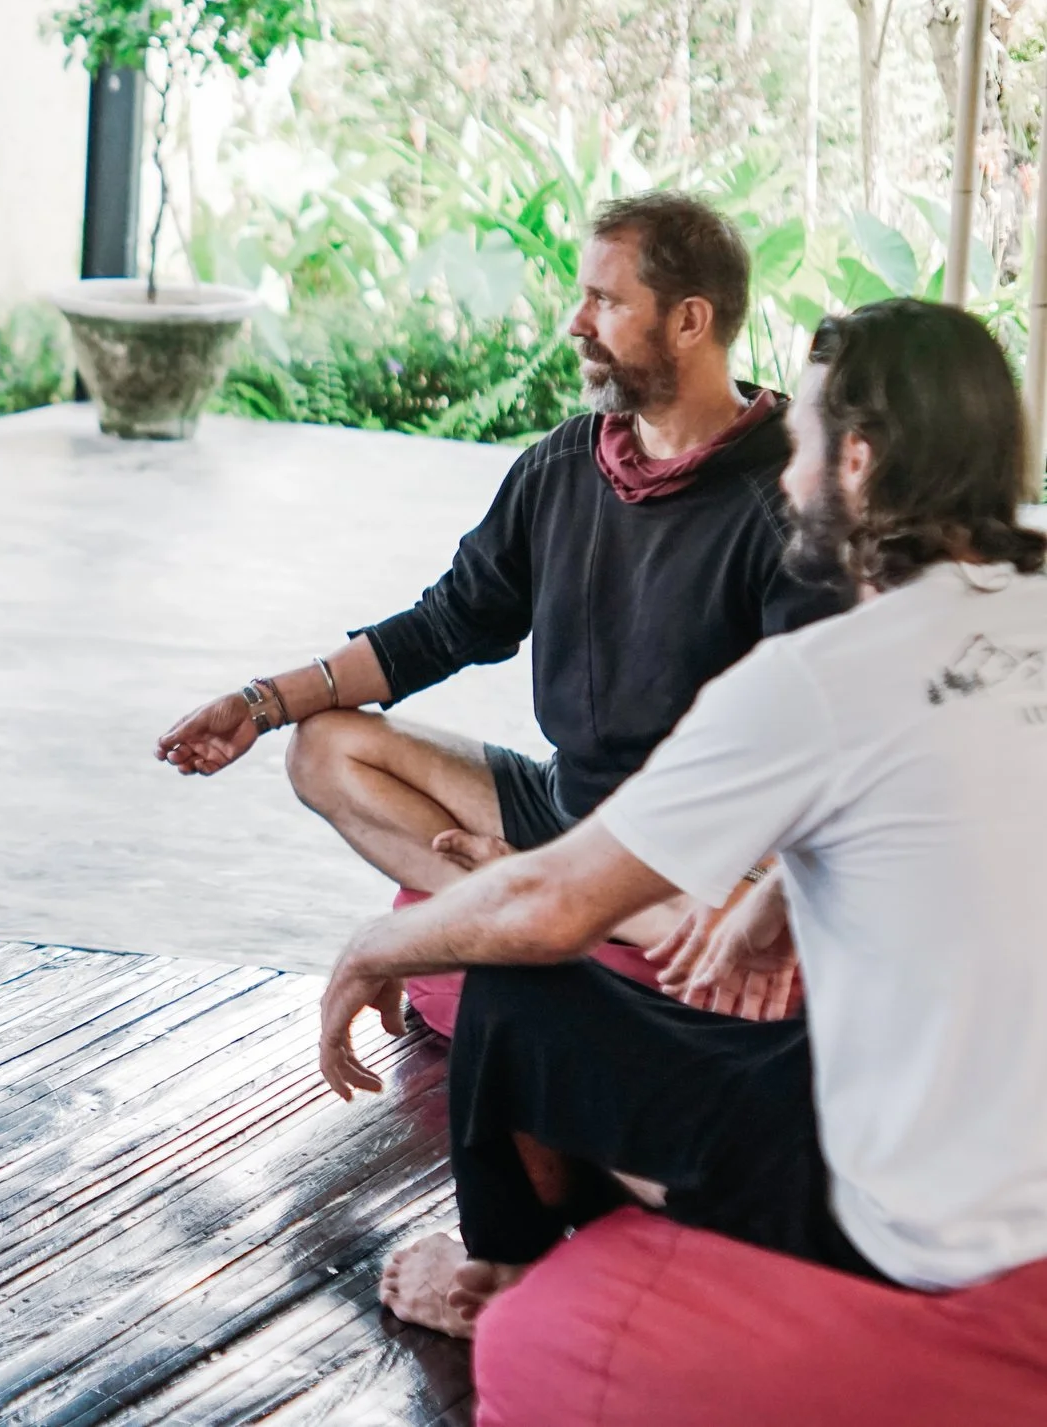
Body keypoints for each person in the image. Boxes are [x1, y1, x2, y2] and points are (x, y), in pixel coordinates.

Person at [315, 297, 1047, 1336]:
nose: (785, 466)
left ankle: (507, 1288)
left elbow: (551, 903)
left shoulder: (822, 675)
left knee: (516, 996)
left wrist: (373, 941)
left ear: (855, 465)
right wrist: (780, 899)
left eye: (804, 437)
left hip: (910, 1216)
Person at [157, 192, 851, 955]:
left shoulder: (787, 499)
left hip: (694, 851)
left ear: (690, 321)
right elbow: (447, 624)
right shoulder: (562, 463)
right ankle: (530, 896)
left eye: (605, 301)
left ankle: (538, 903)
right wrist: (262, 703)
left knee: (743, 927)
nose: (575, 323)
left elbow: (820, 743)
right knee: (323, 748)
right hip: (565, 804)